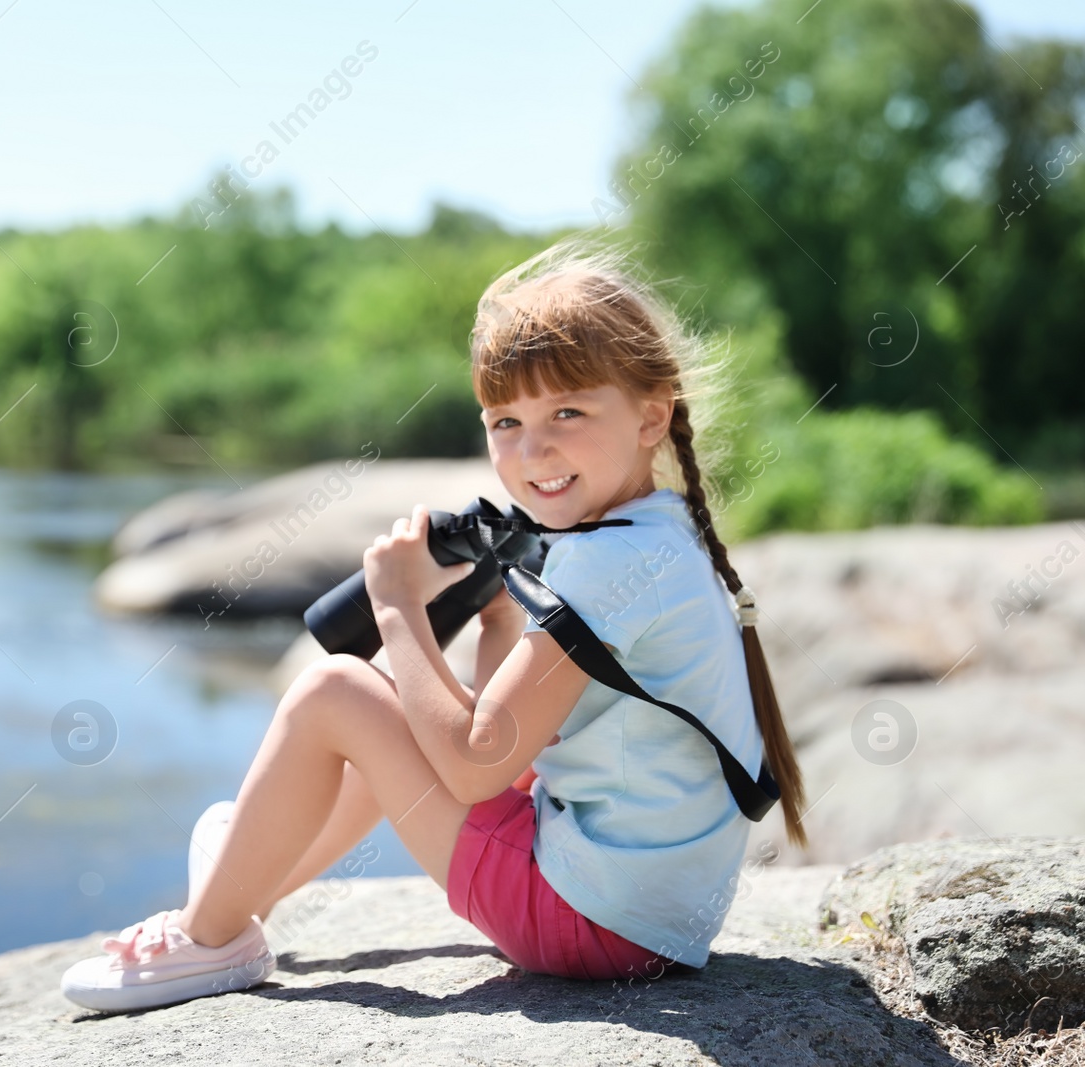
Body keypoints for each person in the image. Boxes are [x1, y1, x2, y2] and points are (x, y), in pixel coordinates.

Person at [60, 239, 808, 1013]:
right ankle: (247, 890)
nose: (532, 449)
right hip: (653, 915)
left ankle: (206, 937)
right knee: (405, 720)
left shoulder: (607, 561)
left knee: (334, 692)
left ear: (652, 416)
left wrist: (395, 604)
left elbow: (476, 765)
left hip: (593, 924)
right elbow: (505, 730)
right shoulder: (652, 531)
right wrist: (494, 616)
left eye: (569, 411)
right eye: (505, 420)